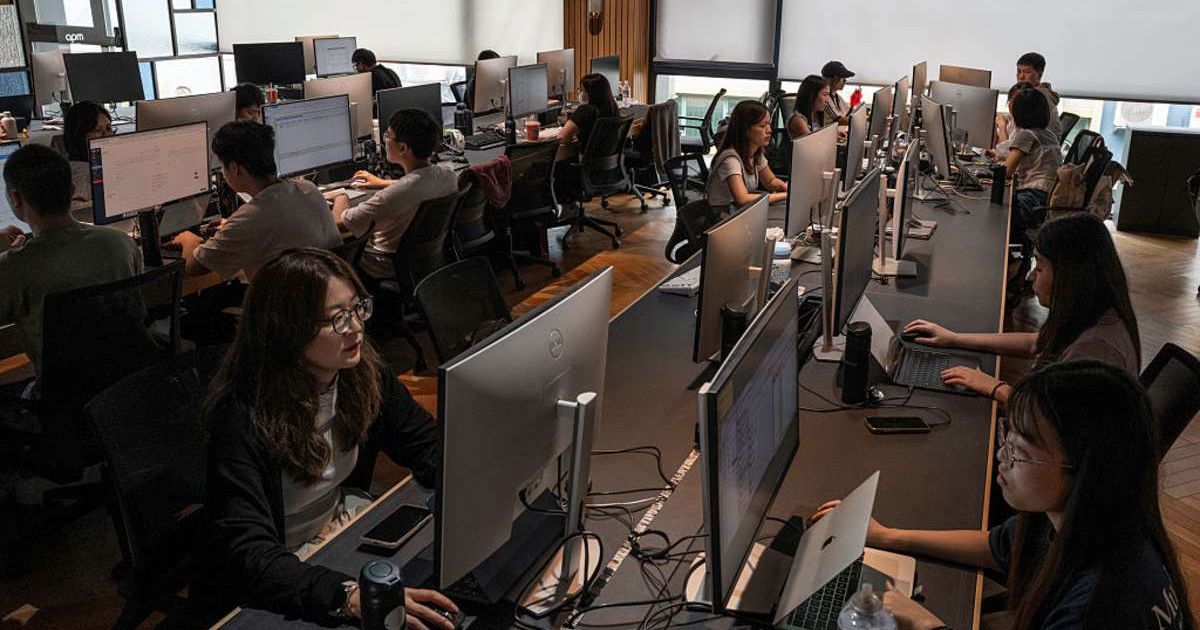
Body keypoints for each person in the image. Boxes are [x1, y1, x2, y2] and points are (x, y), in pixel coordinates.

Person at [812, 361, 1193, 630]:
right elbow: (996, 545)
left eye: (1020, 450)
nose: (1001, 456)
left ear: (1084, 470)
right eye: (1007, 438)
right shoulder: (1101, 520)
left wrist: (927, 624)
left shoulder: (1098, 607)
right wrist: (889, 536)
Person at [195, 248, 459, 627]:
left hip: (336, 537)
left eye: (357, 309)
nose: (354, 327)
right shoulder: (242, 416)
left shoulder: (360, 372)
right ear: (287, 330)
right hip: (278, 577)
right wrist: (347, 595)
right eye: (336, 318)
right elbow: (249, 554)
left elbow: (424, 443)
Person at [904, 213, 1139, 402]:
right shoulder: (1092, 312)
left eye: (1040, 268)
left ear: (1071, 276)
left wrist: (997, 388)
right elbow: (1035, 343)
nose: (1029, 276)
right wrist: (953, 338)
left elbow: (1056, 421)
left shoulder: (1095, 348)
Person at [0, 144, 141, 376]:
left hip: (62, 400)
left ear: (15, 198)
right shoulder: (121, 243)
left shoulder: (12, 268)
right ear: (72, 190)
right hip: (125, 387)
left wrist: (10, 254)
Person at [172, 121, 341, 280]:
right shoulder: (307, 188)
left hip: (284, 307)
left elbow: (194, 267)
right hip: (324, 299)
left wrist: (188, 240)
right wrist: (232, 228)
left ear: (234, 168)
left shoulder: (250, 218)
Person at [332, 108, 458, 279]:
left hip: (383, 266)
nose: (384, 140)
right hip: (427, 262)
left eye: (387, 135)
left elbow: (340, 224)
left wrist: (340, 194)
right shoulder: (449, 176)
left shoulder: (393, 196)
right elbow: (417, 184)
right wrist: (382, 183)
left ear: (403, 148)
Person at [986, 86, 1062, 239]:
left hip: (1032, 198)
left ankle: (1008, 256)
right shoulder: (1047, 133)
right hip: (1046, 197)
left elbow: (1006, 172)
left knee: (994, 213)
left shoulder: (1027, 135)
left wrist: (979, 175)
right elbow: (1015, 155)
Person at [706, 100, 788, 212]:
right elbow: (742, 199)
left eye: (769, 124)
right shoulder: (730, 159)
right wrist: (785, 195)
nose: (769, 130)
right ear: (745, 130)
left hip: (738, 211)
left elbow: (770, 182)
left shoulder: (755, 153)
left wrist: (786, 187)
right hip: (722, 216)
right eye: (762, 126)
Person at [553, 73, 621, 203]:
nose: (580, 93)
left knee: (552, 166)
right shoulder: (613, 109)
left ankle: (566, 208)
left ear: (592, 93)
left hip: (587, 172)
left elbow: (561, 138)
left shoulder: (585, 111)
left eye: (582, 90)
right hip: (608, 170)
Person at [61, 100, 113, 211]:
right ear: (79, 136)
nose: (106, 137)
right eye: (97, 131)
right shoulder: (80, 173)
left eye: (108, 129)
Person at [1015, 52, 1062, 139]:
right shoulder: (1038, 93)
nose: (1021, 76)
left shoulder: (1036, 98)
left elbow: (1021, 137)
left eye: (1027, 72)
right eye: (1019, 71)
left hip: (1037, 148)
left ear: (1040, 74)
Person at [993, 81, 1035, 155]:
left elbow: (1004, 151)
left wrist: (1002, 127)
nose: (1010, 105)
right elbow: (998, 147)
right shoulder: (1013, 121)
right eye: (1011, 101)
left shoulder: (1028, 130)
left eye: (1017, 101)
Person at [788, 75, 831, 139]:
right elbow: (813, 142)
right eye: (825, 95)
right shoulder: (798, 120)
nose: (827, 100)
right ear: (811, 95)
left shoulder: (817, 116)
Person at [820, 61, 855, 125]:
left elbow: (849, 113)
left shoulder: (837, 97)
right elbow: (840, 121)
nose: (845, 81)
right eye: (842, 78)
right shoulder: (826, 99)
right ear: (832, 79)